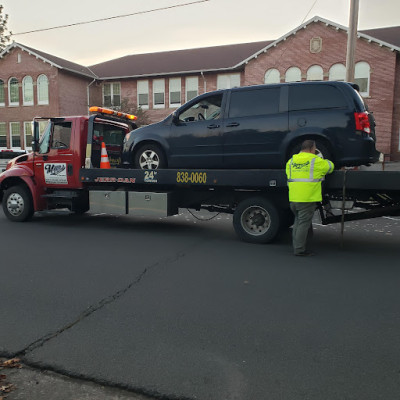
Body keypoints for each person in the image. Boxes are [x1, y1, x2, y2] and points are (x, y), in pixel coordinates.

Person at [285, 140, 334, 256]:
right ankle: (299, 250)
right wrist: (326, 160)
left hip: (294, 198)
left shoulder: (291, 161)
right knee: (303, 224)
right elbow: (330, 167)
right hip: (307, 199)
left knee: (298, 222)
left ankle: (297, 246)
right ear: (312, 149)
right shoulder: (315, 161)